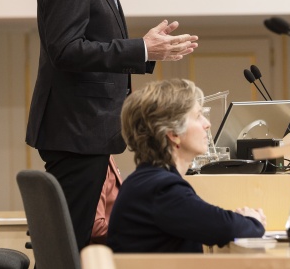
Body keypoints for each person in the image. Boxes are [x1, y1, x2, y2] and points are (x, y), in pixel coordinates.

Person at [25, 0, 198, 250]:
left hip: (84, 130)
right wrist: (140, 49)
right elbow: (66, 50)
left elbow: (91, 44)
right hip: (75, 130)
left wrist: (147, 51)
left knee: (74, 244)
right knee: (66, 248)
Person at [108, 78, 266, 253]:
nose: (207, 124)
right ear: (174, 134)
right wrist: (253, 219)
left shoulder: (147, 181)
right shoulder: (162, 190)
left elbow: (215, 220)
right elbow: (229, 228)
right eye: (198, 116)